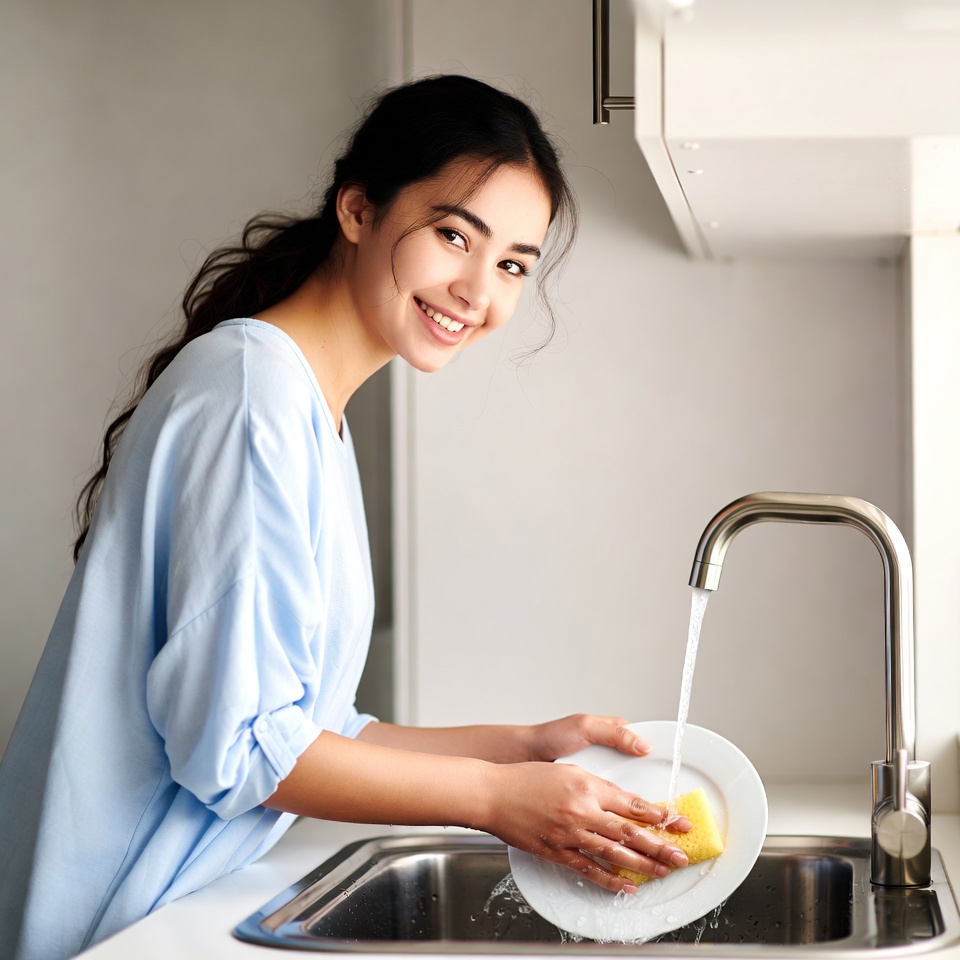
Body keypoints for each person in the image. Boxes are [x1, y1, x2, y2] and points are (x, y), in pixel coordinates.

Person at [0, 74, 690, 960]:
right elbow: (244, 751)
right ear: (358, 209)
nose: (479, 290)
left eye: (514, 263)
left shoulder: (305, 407)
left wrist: (524, 750)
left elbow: (305, 727)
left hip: (162, 912)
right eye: (454, 235)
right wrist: (491, 800)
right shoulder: (254, 399)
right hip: (110, 927)